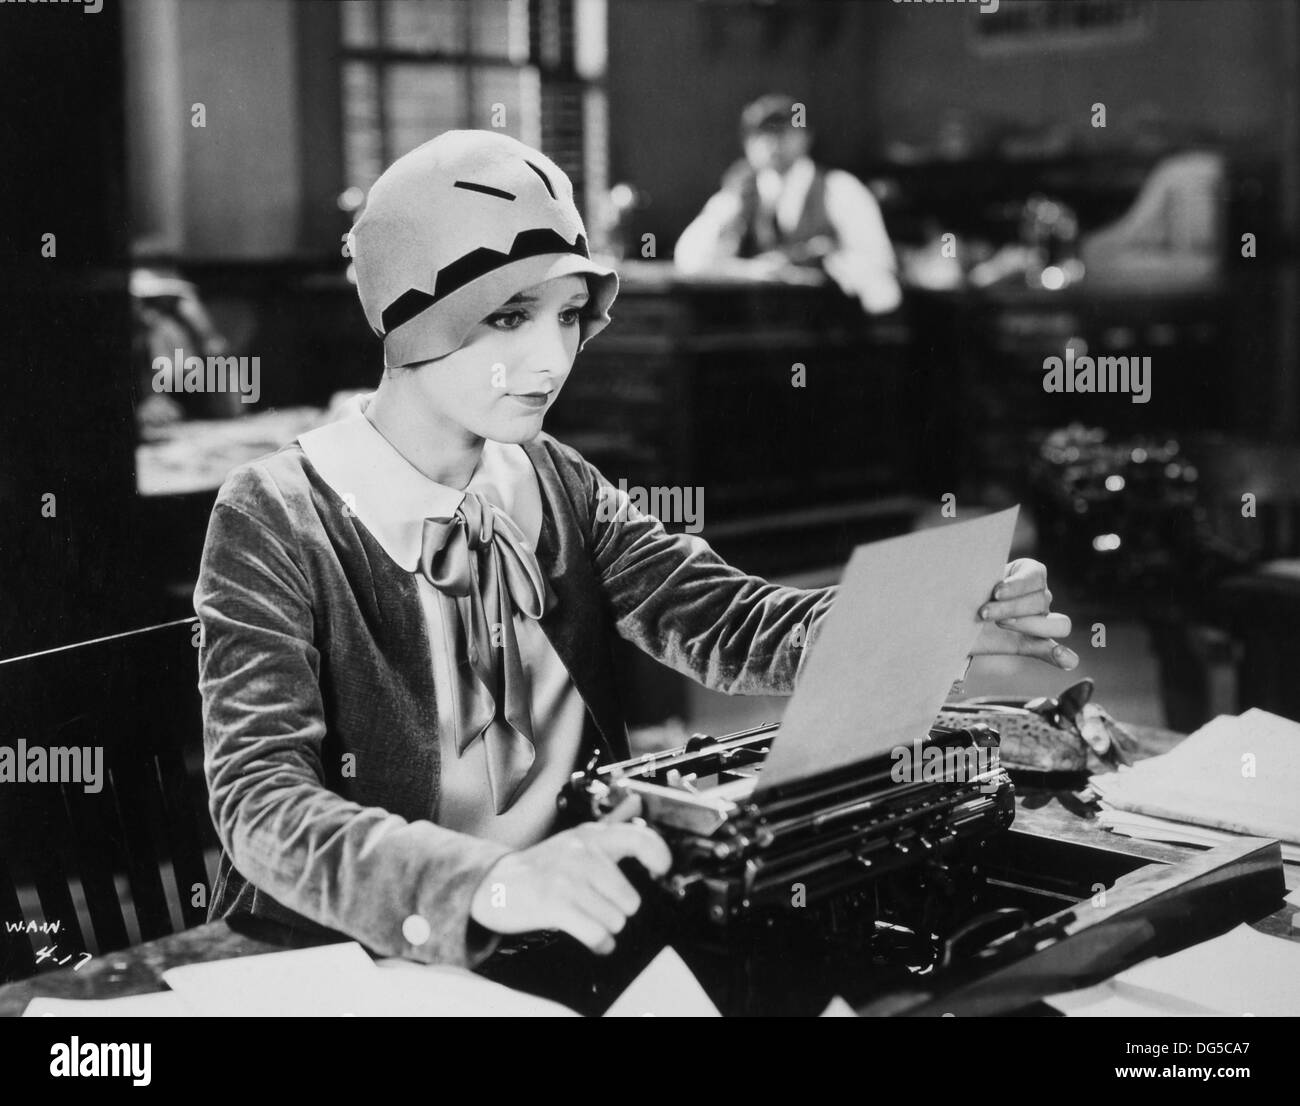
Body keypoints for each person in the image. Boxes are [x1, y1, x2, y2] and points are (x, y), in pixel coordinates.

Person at [193, 130, 1075, 970]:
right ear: (413, 316)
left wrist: (931, 616)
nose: (551, 359)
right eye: (509, 317)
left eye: (571, 314)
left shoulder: (553, 479)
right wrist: (488, 884)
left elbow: (729, 621)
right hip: (357, 963)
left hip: (572, 930)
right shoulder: (278, 514)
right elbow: (262, 803)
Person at [674, 93, 903, 314]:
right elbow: (689, 260)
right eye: (760, 134)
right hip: (760, 325)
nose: (772, 143)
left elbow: (880, 266)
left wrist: (822, 262)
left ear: (806, 137)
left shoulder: (839, 189)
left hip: (826, 323)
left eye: (783, 132)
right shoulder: (741, 192)